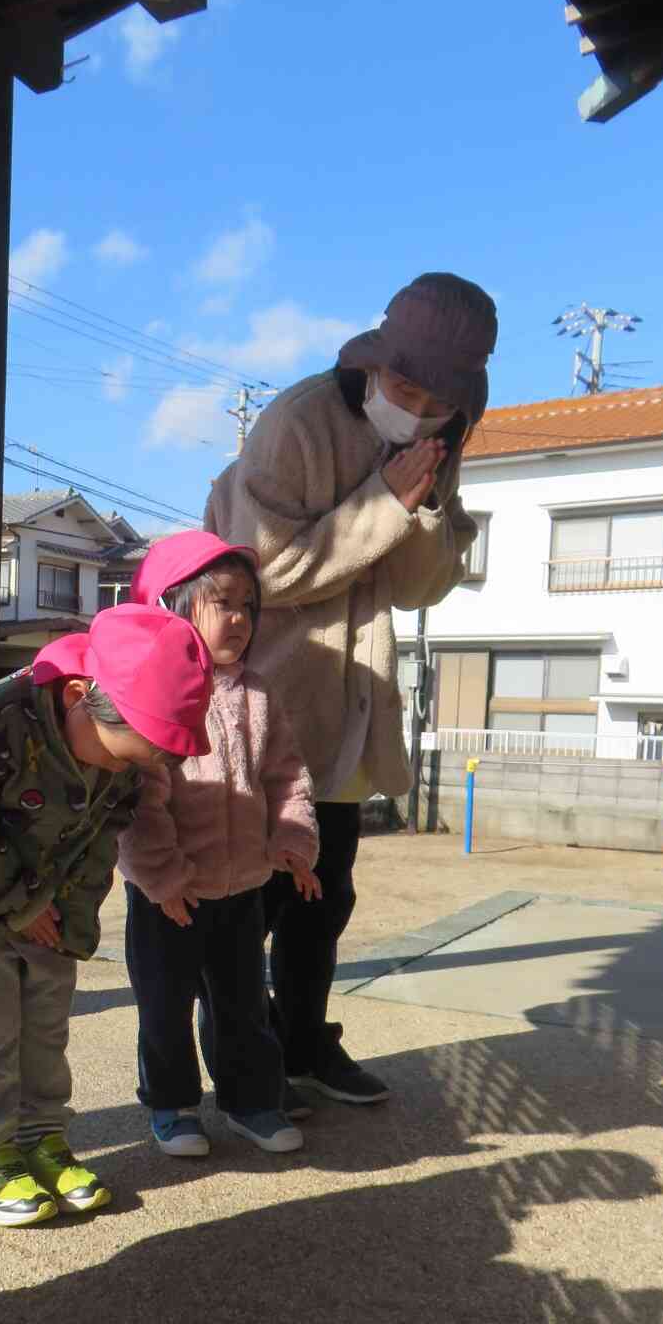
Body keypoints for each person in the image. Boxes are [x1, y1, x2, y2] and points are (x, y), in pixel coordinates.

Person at [205, 272, 497, 1108]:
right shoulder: (297, 422)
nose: (412, 403)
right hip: (261, 708)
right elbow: (256, 573)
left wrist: (428, 509)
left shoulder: (445, 438)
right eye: (402, 382)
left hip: (345, 714)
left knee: (321, 901)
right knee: (245, 904)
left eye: (434, 396)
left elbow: (413, 590)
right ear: (373, 361)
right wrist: (380, 502)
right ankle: (240, 1064)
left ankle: (301, 1044)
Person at [0, 602, 213, 1226]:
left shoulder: (128, 758)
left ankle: (43, 1138)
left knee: (46, 1026)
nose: (134, 770)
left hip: (48, 901)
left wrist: (70, 919)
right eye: (129, 756)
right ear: (80, 696)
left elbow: (105, 833)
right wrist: (19, 906)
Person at [119, 532, 319, 1158]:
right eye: (223, 603)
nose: (239, 619)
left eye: (248, 607)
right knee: (165, 1004)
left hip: (243, 886)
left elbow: (287, 774)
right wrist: (163, 877)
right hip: (169, 893)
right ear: (173, 606)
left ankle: (250, 1100)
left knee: (241, 1004)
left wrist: (291, 842)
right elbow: (139, 797)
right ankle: (173, 1105)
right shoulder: (157, 692)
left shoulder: (259, 694)